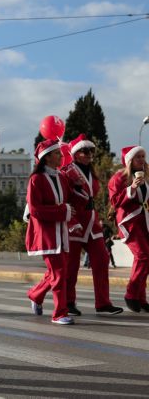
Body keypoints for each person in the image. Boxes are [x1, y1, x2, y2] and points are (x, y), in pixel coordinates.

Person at [62, 135, 123, 316]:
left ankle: (103, 303)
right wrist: (71, 220)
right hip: (74, 223)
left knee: (102, 259)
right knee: (71, 266)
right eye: (84, 151)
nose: (89, 154)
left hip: (92, 223)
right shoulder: (67, 172)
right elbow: (64, 199)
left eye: (91, 151)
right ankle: (68, 302)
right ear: (75, 154)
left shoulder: (91, 172)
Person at [25, 139, 76, 325]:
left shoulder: (62, 178)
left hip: (61, 232)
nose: (61, 156)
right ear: (47, 158)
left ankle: (35, 295)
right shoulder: (35, 180)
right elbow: (35, 210)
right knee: (59, 272)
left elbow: (70, 202)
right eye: (57, 153)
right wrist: (63, 211)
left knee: (55, 272)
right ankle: (59, 314)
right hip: (46, 235)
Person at [108, 145, 149, 312]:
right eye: (138, 157)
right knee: (143, 256)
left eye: (143, 156)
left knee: (147, 259)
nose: (141, 159)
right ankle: (131, 294)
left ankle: (141, 298)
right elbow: (115, 202)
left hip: (144, 220)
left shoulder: (146, 176)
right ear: (130, 161)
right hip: (129, 222)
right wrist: (132, 187)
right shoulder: (119, 178)